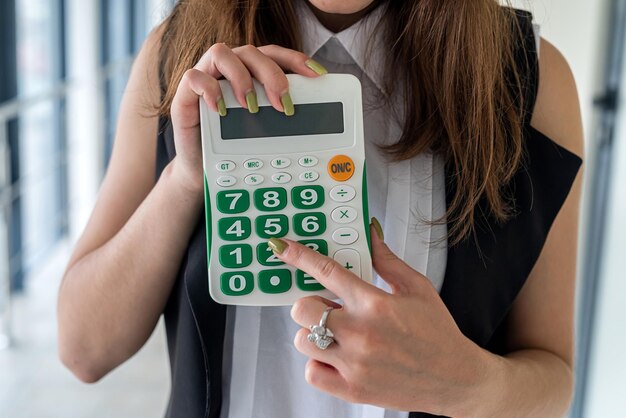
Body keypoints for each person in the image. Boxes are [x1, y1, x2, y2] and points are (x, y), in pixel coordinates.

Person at [57, 0, 584, 417]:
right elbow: (84, 349)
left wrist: (466, 385)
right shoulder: (175, 54)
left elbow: (554, 377)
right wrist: (186, 176)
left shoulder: (529, 79)